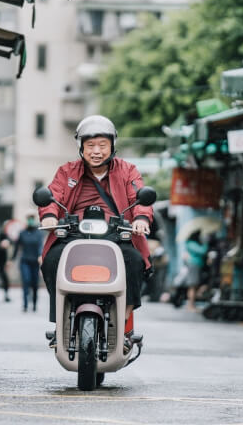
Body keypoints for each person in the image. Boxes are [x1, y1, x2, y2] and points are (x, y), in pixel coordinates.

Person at [39, 115, 153, 347]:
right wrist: (50, 215)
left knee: (133, 259)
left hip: (116, 231)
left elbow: (138, 196)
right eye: (90, 146)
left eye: (102, 145)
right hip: (73, 232)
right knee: (51, 260)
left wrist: (141, 218)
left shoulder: (128, 170)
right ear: (82, 148)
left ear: (112, 145)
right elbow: (54, 194)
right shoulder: (67, 171)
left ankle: (124, 324)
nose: (97, 151)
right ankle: (59, 322)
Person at [9, 215, 44, 312]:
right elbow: (16, 248)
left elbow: (40, 246)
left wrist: (40, 256)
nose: (30, 220)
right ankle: (25, 305)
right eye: (29, 218)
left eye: (32, 218)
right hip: (25, 261)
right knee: (26, 281)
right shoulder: (22, 233)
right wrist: (11, 260)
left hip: (35, 262)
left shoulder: (39, 233)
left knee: (34, 284)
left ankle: (34, 304)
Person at [183, 231, 208, 312]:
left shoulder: (191, 243)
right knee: (192, 286)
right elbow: (202, 251)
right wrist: (205, 243)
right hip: (194, 265)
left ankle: (191, 304)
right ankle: (190, 305)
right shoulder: (191, 243)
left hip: (195, 265)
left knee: (194, 286)